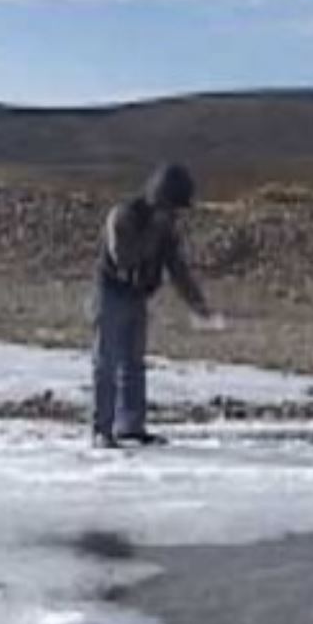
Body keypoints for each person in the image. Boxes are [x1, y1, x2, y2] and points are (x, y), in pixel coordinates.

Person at [90, 162, 222, 448]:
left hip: (137, 296)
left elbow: (178, 270)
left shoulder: (166, 229)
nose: (175, 215)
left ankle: (130, 426)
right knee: (107, 362)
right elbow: (124, 257)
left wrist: (198, 305)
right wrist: (153, 232)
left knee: (134, 364)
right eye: (172, 208)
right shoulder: (124, 216)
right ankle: (102, 429)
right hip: (112, 292)